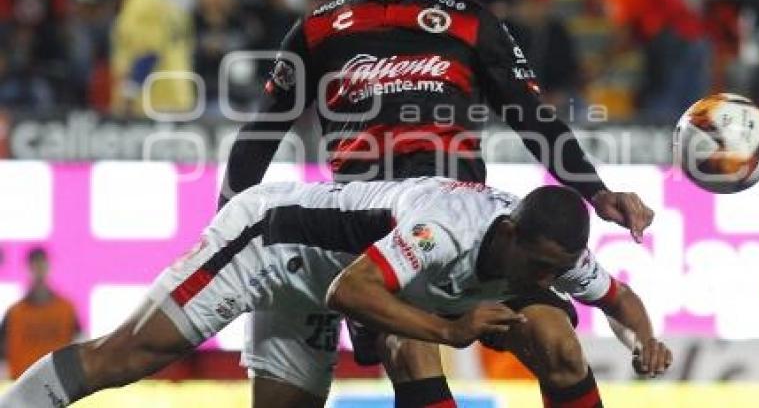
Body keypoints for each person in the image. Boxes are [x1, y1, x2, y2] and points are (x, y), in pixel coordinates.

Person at [220, 0, 656, 408]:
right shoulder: (317, 29)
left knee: (559, 345)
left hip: (473, 230)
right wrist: (223, 237)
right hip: (378, 235)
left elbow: (533, 119)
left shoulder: (470, 22)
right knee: (409, 347)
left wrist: (596, 190)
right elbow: (260, 136)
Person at [0, 178, 672, 408]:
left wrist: (644, 337)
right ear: (513, 234)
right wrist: (449, 328)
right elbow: (355, 288)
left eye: (559, 272)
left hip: (328, 284)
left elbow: (618, 297)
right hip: (271, 246)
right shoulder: (446, 229)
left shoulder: (552, 252)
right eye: (541, 268)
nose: (546, 286)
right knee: (125, 359)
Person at [0, 248, 80, 380]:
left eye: (42, 265)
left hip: (58, 382)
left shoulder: (66, 310)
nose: (39, 270)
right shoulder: (14, 314)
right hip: (23, 383)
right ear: (28, 269)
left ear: (48, 267)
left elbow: (78, 345)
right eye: (35, 266)